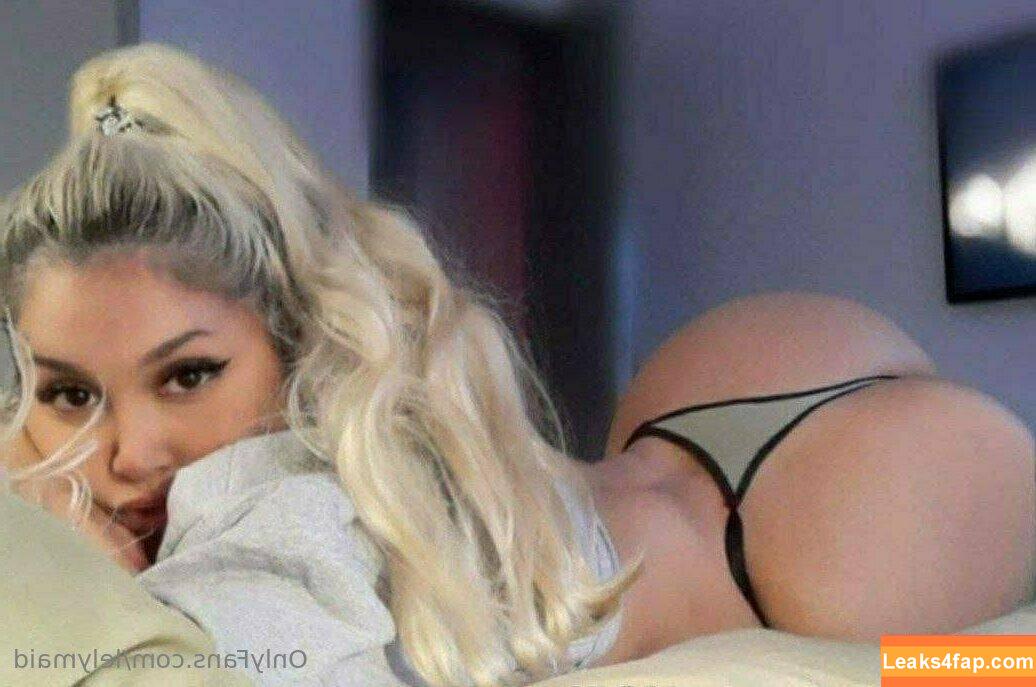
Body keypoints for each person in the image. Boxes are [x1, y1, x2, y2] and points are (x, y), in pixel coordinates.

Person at [0, 42, 1031, 686]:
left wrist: (73, 565)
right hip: (727, 393)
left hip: (805, 547)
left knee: (986, 673)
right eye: (70, 392)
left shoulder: (271, 514)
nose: (129, 451)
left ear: (297, 338)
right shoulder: (364, 446)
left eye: (187, 376)